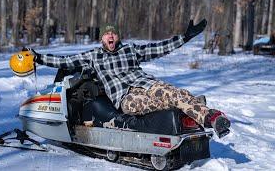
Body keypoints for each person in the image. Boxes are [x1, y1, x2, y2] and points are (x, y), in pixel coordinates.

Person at [29, 19, 230, 138]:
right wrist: (38, 58)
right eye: (107, 34)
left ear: (118, 37)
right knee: (166, 101)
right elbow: (65, 61)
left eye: (113, 33)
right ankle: (192, 105)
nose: (110, 36)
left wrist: (185, 38)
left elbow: (159, 48)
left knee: (173, 93)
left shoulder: (130, 50)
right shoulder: (93, 57)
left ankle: (213, 119)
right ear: (101, 38)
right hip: (126, 97)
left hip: (147, 84)